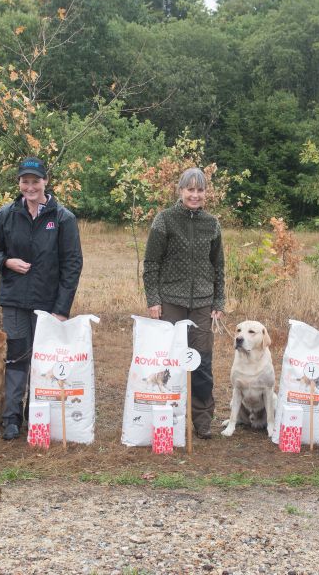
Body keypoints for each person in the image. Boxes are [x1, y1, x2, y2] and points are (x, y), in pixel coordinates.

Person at [0, 156, 83, 441]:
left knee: (42, 361)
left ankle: (37, 414)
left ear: (45, 182)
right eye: (25, 181)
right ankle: (12, 417)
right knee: (16, 358)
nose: (30, 187)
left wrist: (62, 309)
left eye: (35, 181)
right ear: (19, 183)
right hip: (14, 299)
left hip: (48, 304)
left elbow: (72, 264)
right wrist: (6, 262)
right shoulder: (5, 214)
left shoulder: (63, 218)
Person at [143, 167, 225, 439]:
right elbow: (152, 263)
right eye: (190, 189)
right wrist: (154, 300)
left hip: (202, 302)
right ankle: (168, 413)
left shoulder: (212, 224)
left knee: (201, 362)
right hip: (171, 300)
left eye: (200, 190)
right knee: (170, 361)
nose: (195, 194)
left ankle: (202, 418)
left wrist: (218, 300)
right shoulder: (164, 220)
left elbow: (218, 267)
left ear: (205, 193)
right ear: (180, 191)